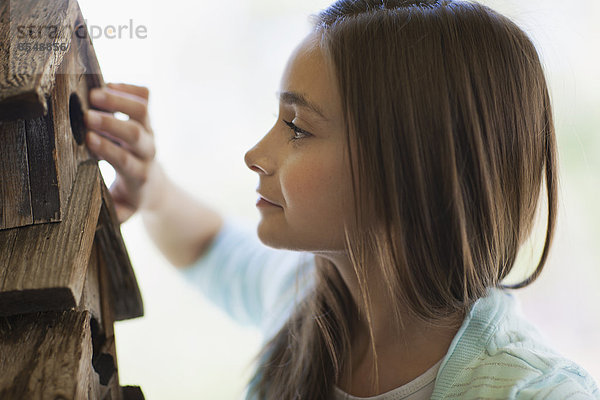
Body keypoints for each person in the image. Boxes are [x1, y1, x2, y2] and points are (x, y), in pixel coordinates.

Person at [83, 1, 600, 399]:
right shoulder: (302, 299)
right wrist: (151, 186)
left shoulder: (537, 391)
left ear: (409, 169)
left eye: (298, 128)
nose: (255, 154)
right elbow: (207, 247)